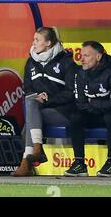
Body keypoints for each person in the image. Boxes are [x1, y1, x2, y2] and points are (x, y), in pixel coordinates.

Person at [12, 27, 78, 176]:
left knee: (31, 115)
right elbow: (27, 88)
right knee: (31, 102)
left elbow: (71, 92)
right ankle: (35, 150)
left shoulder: (66, 61)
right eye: (34, 39)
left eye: (37, 40)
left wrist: (48, 99)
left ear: (48, 43)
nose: (33, 43)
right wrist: (37, 96)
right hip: (38, 109)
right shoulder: (31, 62)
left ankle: (29, 158)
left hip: (63, 111)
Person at [65, 41, 111, 177]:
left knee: (110, 116)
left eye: (86, 56)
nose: (81, 59)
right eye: (81, 55)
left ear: (98, 57)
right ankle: (79, 163)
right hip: (94, 114)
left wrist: (93, 103)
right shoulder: (79, 74)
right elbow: (81, 103)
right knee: (76, 117)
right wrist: (100, 104)